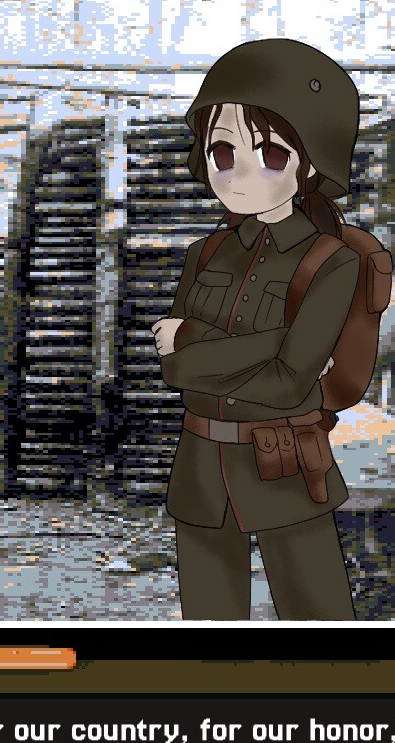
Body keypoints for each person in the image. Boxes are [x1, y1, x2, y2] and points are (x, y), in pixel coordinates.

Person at [151, 38, 364, 620]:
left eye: (270, 154)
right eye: (222, 152)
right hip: (200, 470)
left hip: (286, 468)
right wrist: (273, 346)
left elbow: (289, 384)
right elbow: (175, 372)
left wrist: (193, 341)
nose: (240, 173)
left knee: (319, 621)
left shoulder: (332, 262)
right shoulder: (204, 253)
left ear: (309, 165)